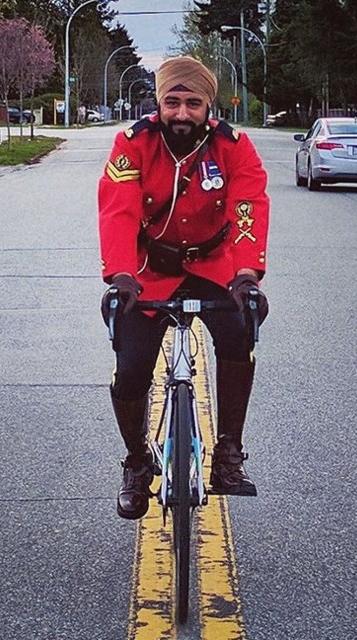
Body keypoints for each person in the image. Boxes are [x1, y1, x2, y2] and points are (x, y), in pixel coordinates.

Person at [98, 55, 271, 520]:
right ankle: (137, 462)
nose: (181, 113)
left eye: (192, 103)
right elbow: (117, 209)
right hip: (150, 270)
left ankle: (228, 454)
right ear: (159, 102)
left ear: (208, 106)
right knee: (132, 367)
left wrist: (247, 275)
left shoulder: (234, 146)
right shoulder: (132, 143)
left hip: (217, 266)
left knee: (240, 333)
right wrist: (120, 275)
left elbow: (248, 206)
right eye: (172, 101)